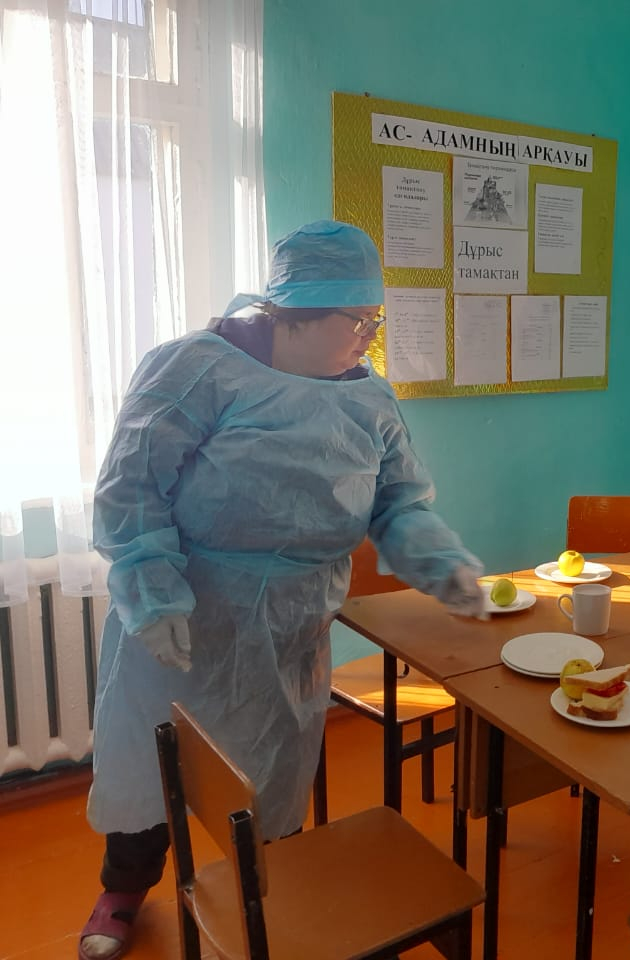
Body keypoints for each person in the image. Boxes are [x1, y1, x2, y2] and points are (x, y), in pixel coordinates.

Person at [78, 220, 488, 960]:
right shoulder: (199, 369)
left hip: (294, 625)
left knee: (274, 771)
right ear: (295, 313)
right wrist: (151, 589)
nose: (370, 337)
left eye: (376, 320)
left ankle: (267, 898)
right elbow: (131, 486)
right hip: (187, 612)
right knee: (157, 760)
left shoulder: (369, 399)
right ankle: (123, 890)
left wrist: (441, 561)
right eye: (358, 320)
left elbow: (397, 503)